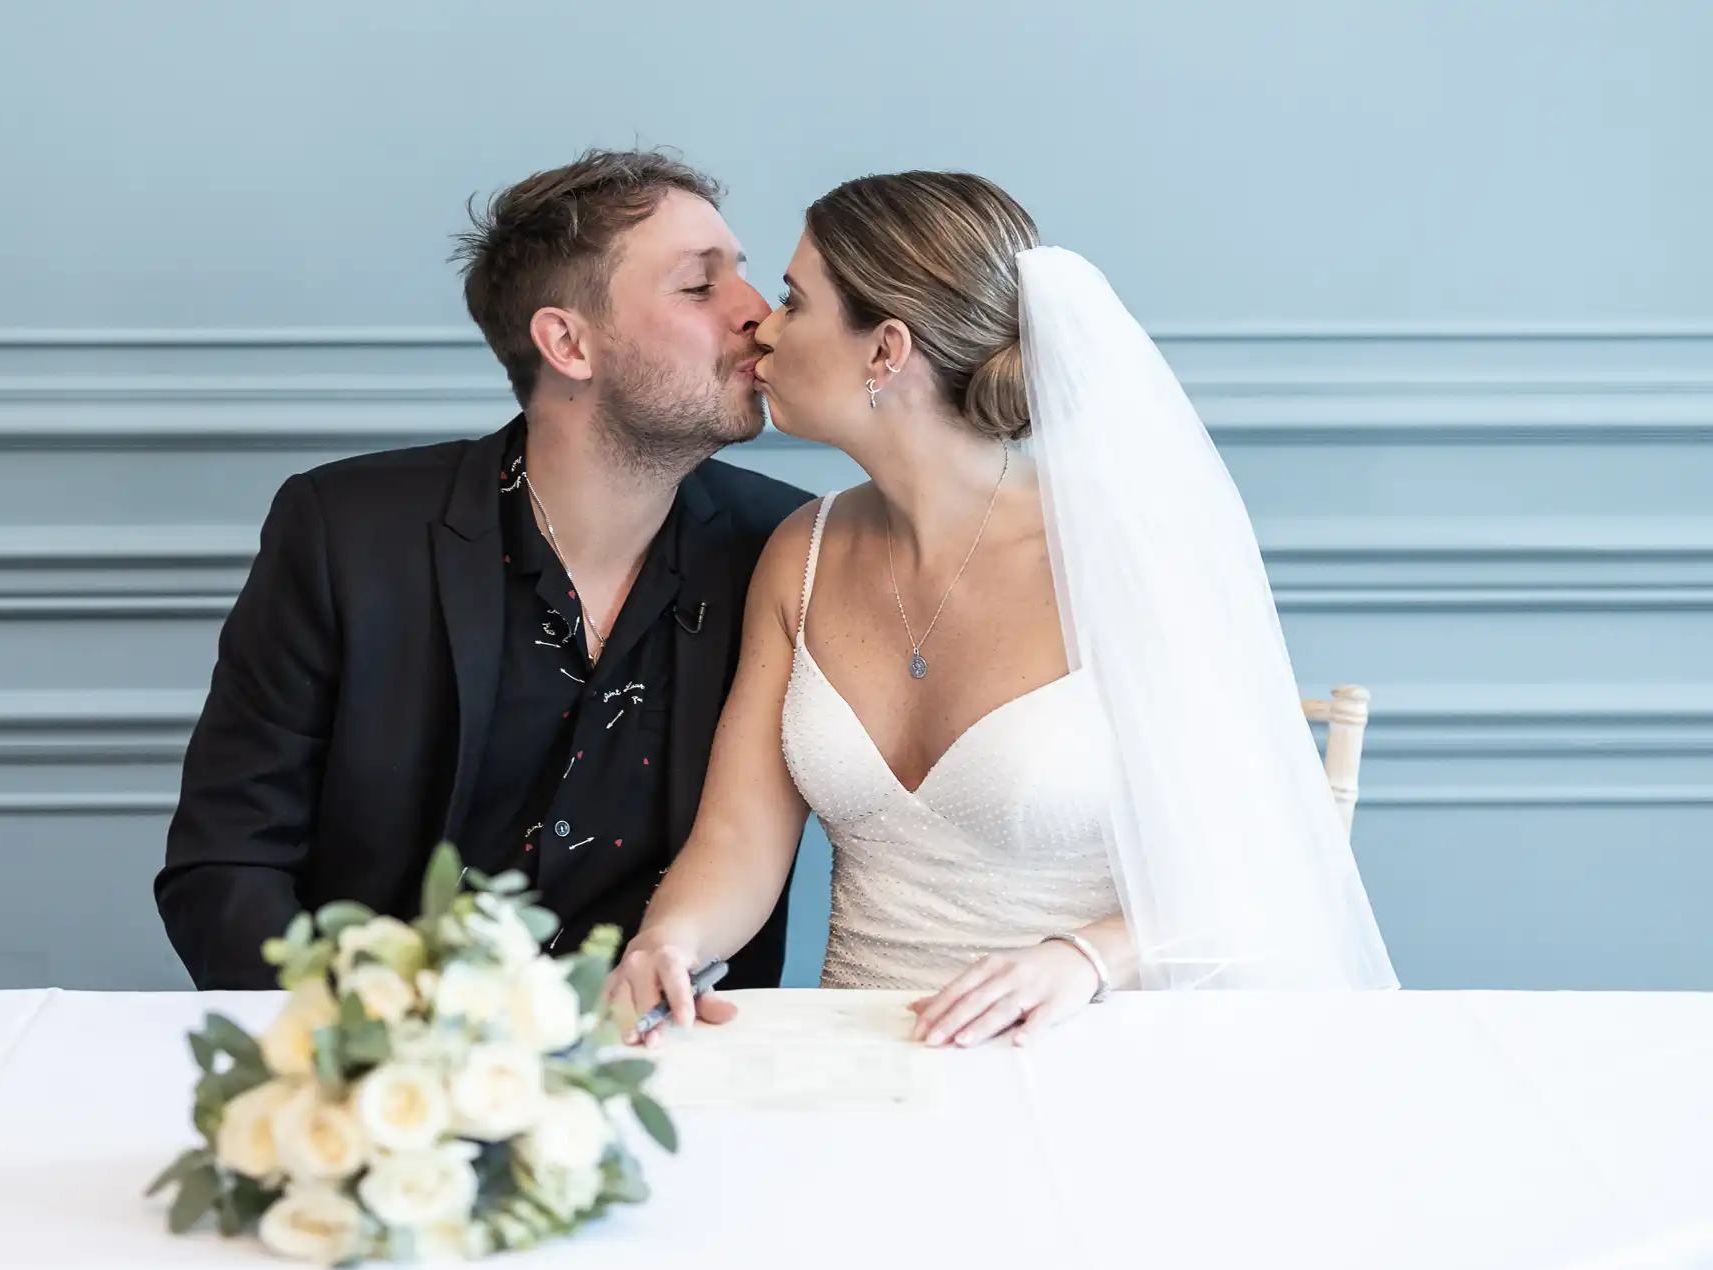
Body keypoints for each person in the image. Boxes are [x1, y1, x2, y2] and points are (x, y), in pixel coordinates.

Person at [608, 172, 1397, 1046]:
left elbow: (1266, 859)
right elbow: (737, 838)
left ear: (886, 351)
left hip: (1087, 1047)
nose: (764, 323)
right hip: (858, 1060)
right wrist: (669, 939)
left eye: (796, 300)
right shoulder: (800, 554)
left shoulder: (1118, 557)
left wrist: (1083, 959)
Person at [155, 149, 808, 991]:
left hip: (683, 1067)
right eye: (698, 285)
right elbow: (226, 863)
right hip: (391, 1070)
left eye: (745, 276)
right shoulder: (345, 532)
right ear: (568, 342)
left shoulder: (784, 545)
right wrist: (355, 1052)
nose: (758, 314)